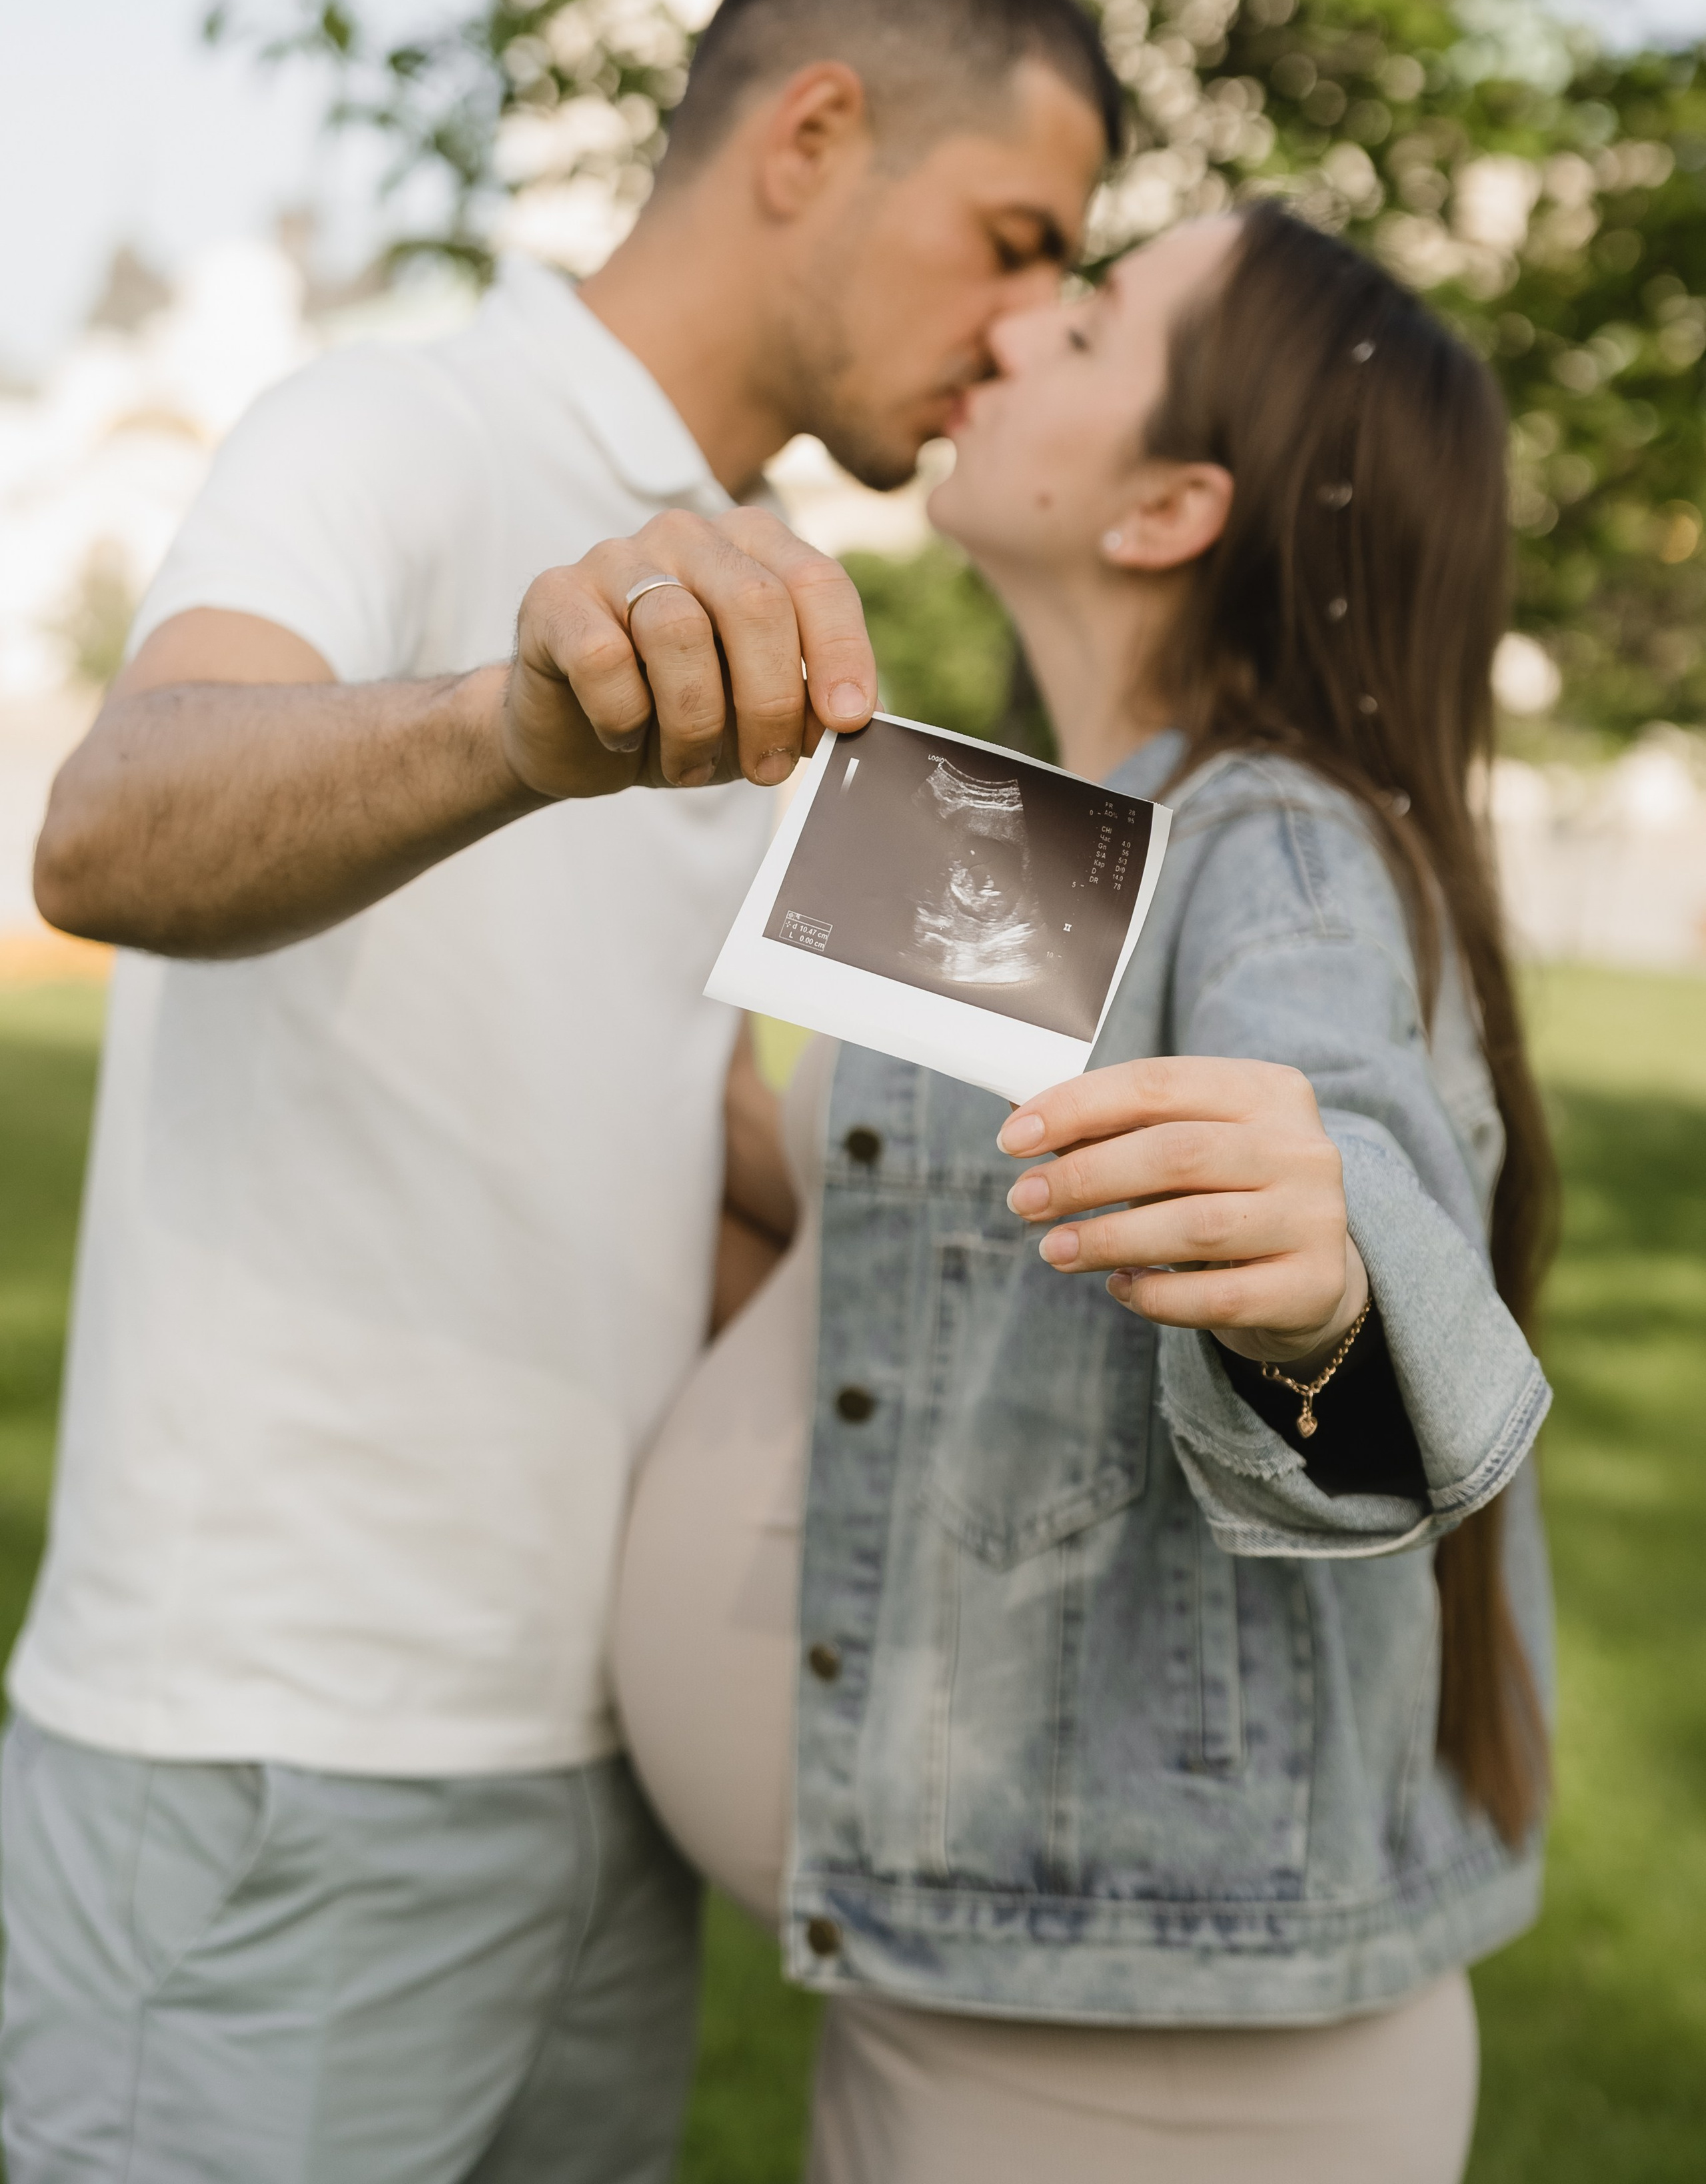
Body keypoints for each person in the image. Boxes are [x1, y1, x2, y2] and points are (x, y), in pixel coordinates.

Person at [1, 0, 1122, 2184]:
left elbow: (741, 1173)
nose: (1024, 334)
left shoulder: (775, 608)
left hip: (605, 1787)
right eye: (1017, 239)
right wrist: (518, 722)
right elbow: (108, 828)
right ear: (815, 133)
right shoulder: (402, 417)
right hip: (278, 1770)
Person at [615, 201, 1557, 2183]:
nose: (1023, 321)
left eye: (1096, 317)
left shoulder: (1278, 841)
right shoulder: (1053, 826)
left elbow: (1351, 1177)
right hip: (952, 1971)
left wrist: (1329, 1293)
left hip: (1151, 2064)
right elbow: (871, 1228)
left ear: (1166, 509)